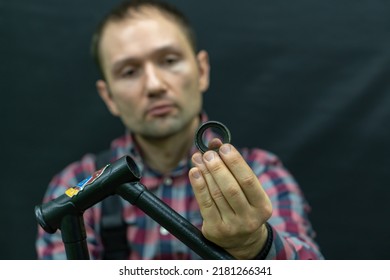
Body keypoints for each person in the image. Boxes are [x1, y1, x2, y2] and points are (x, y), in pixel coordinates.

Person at [36, 0, 323, 260]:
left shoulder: (261, 174)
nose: (154, 85)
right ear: (109, 96)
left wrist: (254, 245)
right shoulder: (74, 185)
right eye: (129, 72)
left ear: (202, 70)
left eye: (169, 61)